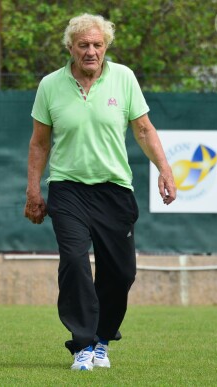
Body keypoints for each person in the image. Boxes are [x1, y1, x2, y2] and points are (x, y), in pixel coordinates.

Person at [24, 14, 176, 371]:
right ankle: (81, 345)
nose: (91, 51)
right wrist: (33, 191)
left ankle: (101, 339)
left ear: (106, 47)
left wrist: (165, 170)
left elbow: (143, 129)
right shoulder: (50, 84)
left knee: (121, 273)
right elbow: (40, 142)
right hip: (68, 189)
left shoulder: (124, 78)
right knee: (75, 262)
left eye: (97, 45)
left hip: (114, 190)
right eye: (83, 45)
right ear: (71, 48)